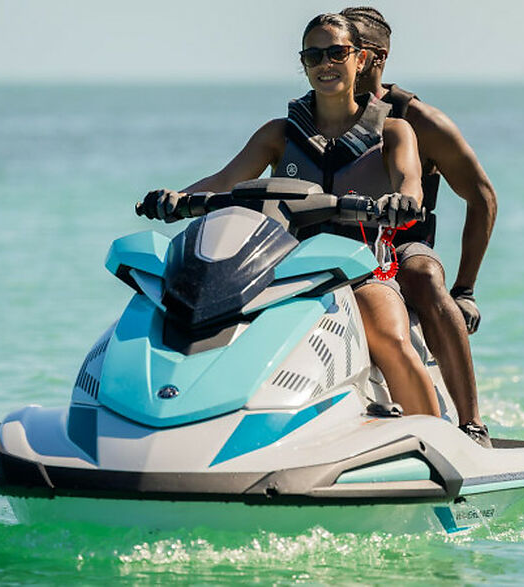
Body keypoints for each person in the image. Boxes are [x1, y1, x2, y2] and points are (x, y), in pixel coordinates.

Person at [144, 13, 441, 417]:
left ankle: (432, 434)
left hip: (360, 271)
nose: (325, 64)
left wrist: (403, 199)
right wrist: (177, 199)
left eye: (337, 53)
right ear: (303, 65)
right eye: (313, 56)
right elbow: (225, 179)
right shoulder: (279, 134)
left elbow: (410, 180)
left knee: (389, 337)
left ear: (361, 59)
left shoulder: (393, 131)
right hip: (283, 271)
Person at [337, 7, 499, 448]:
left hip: (402, 243)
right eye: (323, 54)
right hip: (332, 245)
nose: (333, 62)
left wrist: (465, 289)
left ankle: (471, 424)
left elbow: (482, 198)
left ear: (376, 57)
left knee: (422, 276)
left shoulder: (418, 120)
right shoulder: (317, 115)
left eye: (347, 51)